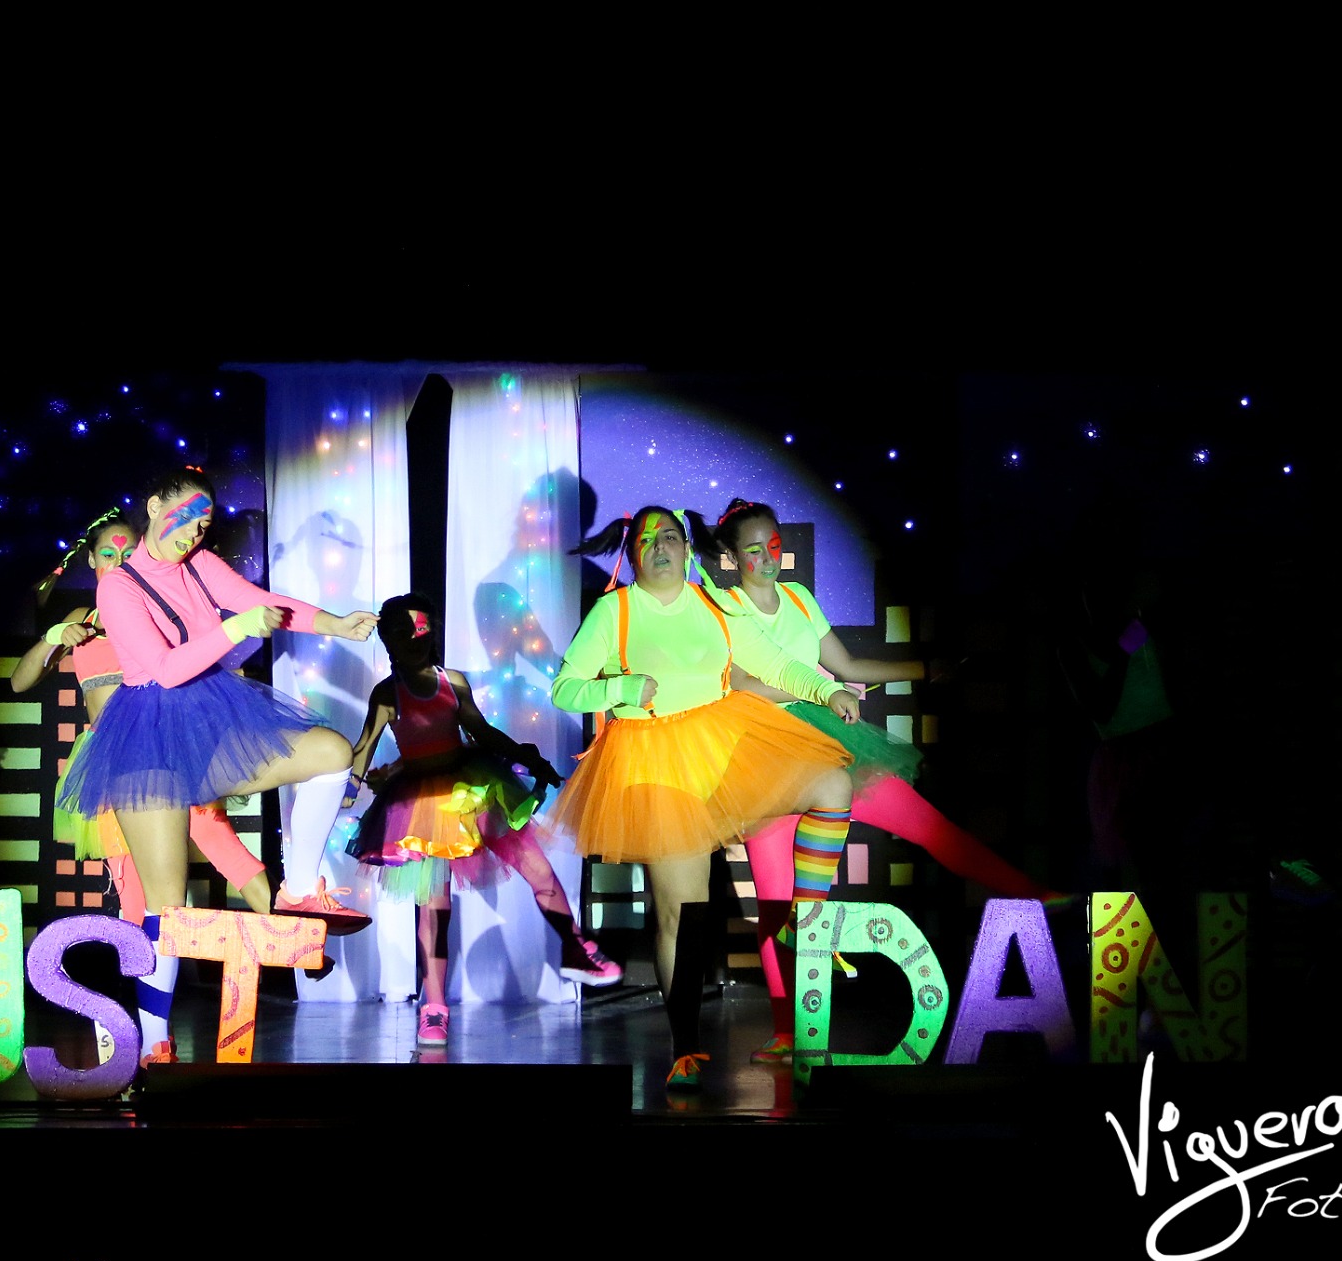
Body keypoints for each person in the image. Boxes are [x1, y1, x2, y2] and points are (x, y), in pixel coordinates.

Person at [700, 500, 1076, 1063]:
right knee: (777, 906)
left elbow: (847, 667)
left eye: (773, 546)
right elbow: (741, 684)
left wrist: (922, 670)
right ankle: (787, 1032)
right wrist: (820, 688)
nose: (767, 559)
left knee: (931, 828)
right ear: (731, 557)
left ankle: (1033, 893)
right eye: (753, 550)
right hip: (764, 755)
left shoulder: (799, 598)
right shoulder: (724, 609)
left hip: (831, 740)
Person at [54, 466, 379, 1066]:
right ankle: (155, 1041)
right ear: (155, 505)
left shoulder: (200, 565)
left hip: (210, 722)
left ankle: (299, 891)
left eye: (203, 526)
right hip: (148, 741)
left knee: (332, 753)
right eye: (186, 519)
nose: (194, 534)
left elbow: (264, 604)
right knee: (165, 903)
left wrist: (334, 623)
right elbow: (163, 669)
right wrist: (233, 628)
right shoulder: (117, 588)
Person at [550, 506, 861, 1091]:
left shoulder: (714, 602)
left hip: (724, 748)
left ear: (688, 547)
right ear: (632, 554)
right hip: (655, 764)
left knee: (832, 784)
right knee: (684, 915)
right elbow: (564, 688)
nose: (659, 546)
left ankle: (803, 916)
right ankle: (685, 1045)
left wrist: (827, 690)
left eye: (669, 536)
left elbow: (774, 663)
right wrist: (620, 686)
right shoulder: (614, 610)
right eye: (646, 540)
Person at [344, 593, 620, 1047]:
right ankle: (434, 1007)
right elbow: (364, 745)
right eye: (406, 631)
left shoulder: (452, 682)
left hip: (472, 789)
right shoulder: (387, 694)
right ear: (389, 639)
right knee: (433, 907)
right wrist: (347, 788)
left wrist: (526, 757)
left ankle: (576, 947)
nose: (417, 637)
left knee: (539, 870)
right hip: (422, 803)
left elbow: (482, 731)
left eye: (423, 628)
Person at [11, 509, 274, 932]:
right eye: (108, 554)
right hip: (111, 761)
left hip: (165, 749)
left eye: (128, 553)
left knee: (218, 841)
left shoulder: (157, 612)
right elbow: (19, 682)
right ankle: (144, 967)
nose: (118, 562)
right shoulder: (82, 619)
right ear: (91, 560)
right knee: (133, 885)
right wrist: (54, 636)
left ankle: (292, 934)